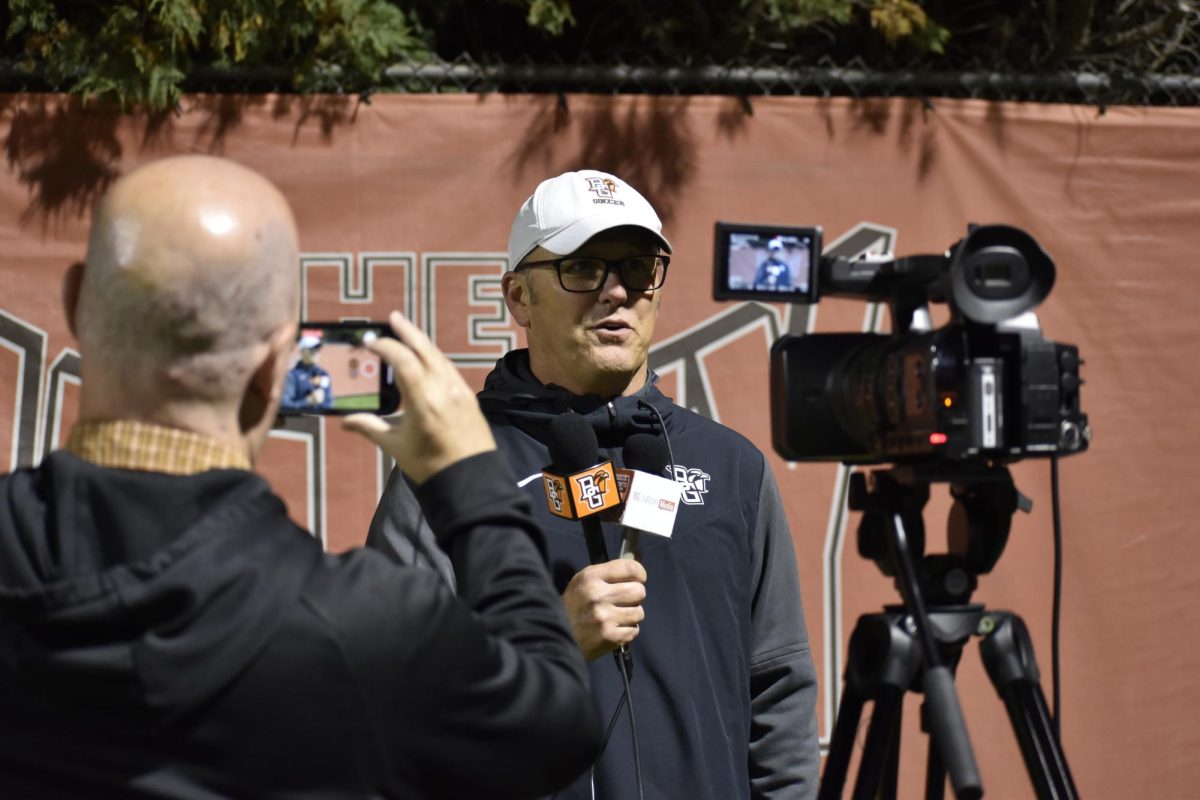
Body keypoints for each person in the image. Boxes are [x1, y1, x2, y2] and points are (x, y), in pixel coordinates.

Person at [0, 155, 600, 799]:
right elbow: (556, 726)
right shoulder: (366, 626)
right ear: (280, 365)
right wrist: (471, 484)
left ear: (75, 304)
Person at [368, 169, 819, 799]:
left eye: (637, 267)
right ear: (519, 298)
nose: (616, 292)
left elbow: (779, 692)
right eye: (582, 269)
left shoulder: (732, 467)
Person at [282, 334, 334, 410]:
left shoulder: (324, 374)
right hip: (299, 421)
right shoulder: (292, 376)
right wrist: (308, 401)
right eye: (312, 349)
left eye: (318, 349)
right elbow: (284, 405)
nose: (316, 352)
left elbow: (329, 404)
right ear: (302, 351)